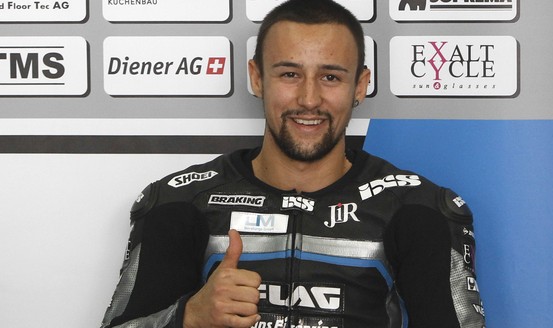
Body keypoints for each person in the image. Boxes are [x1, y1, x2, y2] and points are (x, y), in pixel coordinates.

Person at [100, 0, 485, 327]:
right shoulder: (181, 202)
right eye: (289, 74)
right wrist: (187, 317)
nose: (309, 99)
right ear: (257, 78)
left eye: (331, 77)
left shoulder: (417, 210)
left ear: (360, 85)